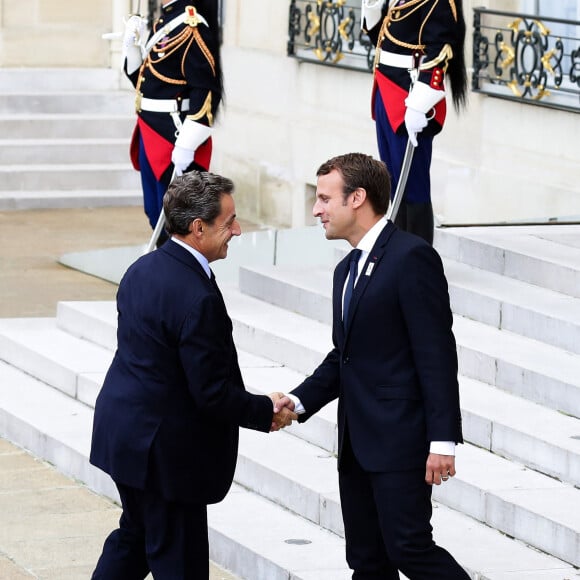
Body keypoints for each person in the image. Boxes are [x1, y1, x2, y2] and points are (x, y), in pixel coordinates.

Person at [89, 170, 297, 579]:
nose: (238, 231)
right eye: (229, 222)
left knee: (135, 537)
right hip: (166, 455)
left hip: (127, 437)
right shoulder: (195, 295)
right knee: (178, 562)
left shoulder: (142, 269)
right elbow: (212, 392)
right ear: (197, 227)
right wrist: (265, 411)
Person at [287, 153, 469, 579]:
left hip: (399, 442)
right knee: (368, 561)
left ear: (358, 199)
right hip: (356, 443)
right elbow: (344, 356)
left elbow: (436, 353)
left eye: (325, 198)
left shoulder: (411, 258)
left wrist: (443, 440)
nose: (317, 209)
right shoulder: (345, 270)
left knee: (410, 549)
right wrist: (297, 402)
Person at [361, 0, 467, 244]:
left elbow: (440, 52)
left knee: (413, 186)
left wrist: (420, 102)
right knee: (392, 180)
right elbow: (381, 40)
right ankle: (398, 249)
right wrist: (373, 6)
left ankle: (418, 254)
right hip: (386, 90)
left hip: (410, 97)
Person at [122, 0, 222, 244]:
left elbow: (206, 91)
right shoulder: (166, 21)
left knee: (177, 223)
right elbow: (147, 83)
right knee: (154, 210)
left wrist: (187, 143)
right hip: (149, 130)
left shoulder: (191, 26)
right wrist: (132, 47)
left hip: (172, 135)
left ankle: (177, 278)